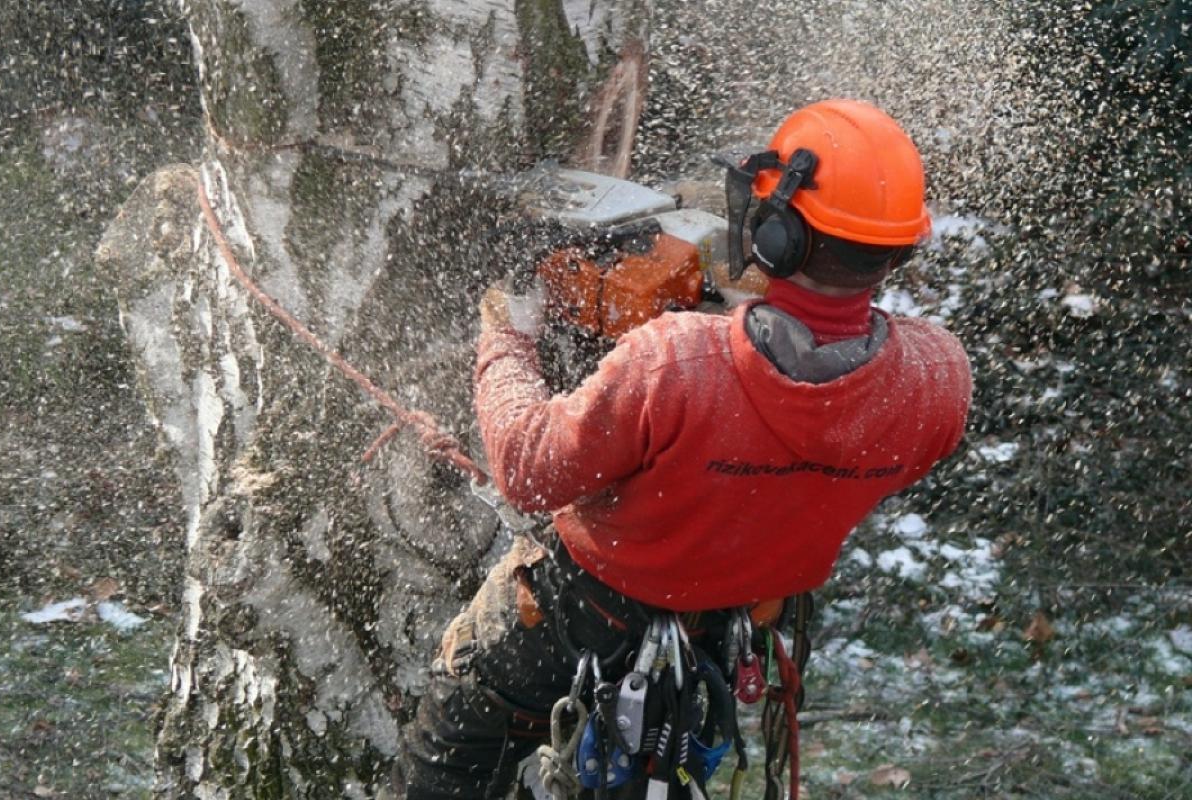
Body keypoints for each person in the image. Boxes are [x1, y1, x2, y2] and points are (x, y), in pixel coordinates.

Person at [397, 99, 972, 798]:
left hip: (582, 613)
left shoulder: (674, 362)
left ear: (779, 236)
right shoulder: (937, 380)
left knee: (454, 741)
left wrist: (509, 336)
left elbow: (526, 469)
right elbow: (809, 388)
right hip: (720, 636)